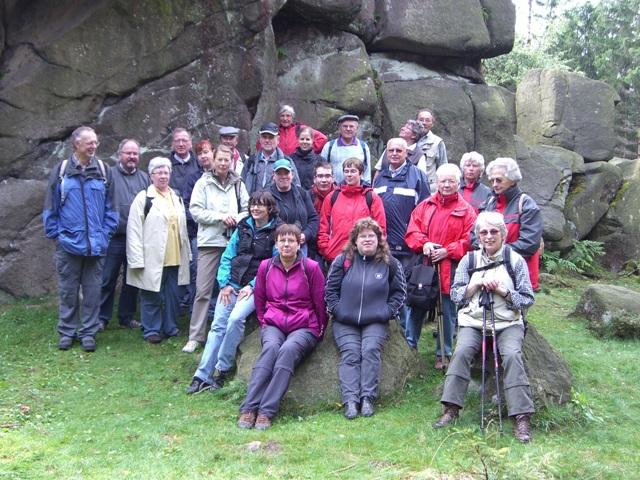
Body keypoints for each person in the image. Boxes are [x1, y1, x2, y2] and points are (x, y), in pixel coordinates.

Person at [433, 211, 535, 443]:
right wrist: (475, 285)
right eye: (484, 232)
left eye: (493, 231)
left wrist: (503, 291)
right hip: (474, 321)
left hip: (507, 323)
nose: (489, 236)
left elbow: (528, 298)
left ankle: (521, 417)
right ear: (478, 236)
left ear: (503, 234)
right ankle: (450, 408)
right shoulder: (468, 261)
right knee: (461, 351)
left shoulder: (515, 260)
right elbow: (456, 295)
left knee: (512, 355)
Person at [187, 191, 283, 393]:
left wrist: (253, 286)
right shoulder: (243, 226)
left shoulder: (277, 231)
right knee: (217, 326)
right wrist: (224, 284)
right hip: (232, 285)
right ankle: (202, 375)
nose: (255, 208)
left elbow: (275, 264)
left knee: (235, 319)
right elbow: (227, 256)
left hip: (255, 288)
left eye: (260, 205)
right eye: (253, 204)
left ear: (269, 208)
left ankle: (222, 370)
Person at [237, 224, 328, 430]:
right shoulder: (266, 267)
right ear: (276, 244)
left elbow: (320, 303)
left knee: (287, 350)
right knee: (270, 349)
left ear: (299, 244)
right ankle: (249, 408)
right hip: (274, 324)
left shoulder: (311, 267)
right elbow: (260, 299)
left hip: (304, 325)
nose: (286, 244)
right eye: (282, 241)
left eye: (291, 241)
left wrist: (318, 330)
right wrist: (265, 322)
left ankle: (266, 411)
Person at [43, 126, 118, 352]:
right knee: (68, 291)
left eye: (95, 142)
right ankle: (67, 332)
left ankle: (88, 333)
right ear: (77, 144)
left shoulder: (104, 171)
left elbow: (112, 209)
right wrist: (55, 236)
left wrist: (104, 236)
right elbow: (50, 207)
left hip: (96, 246)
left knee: (93, 292)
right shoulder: (61, 172)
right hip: (67, 245)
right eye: (89, 142)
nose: (94, 146)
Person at [325, 218, 405, 419]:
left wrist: (387, 312)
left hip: (376, 320)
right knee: (350, 354)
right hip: (345, 320)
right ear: (355, 240)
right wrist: (337, 310)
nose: (367, 239)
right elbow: (330, 290)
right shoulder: (342, 261)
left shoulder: (390, 263)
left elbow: (399, 293)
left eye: (371, 236)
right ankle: (351, 401)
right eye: (363, 236)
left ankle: (367, 398)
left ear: (379, 239)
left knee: (370, 351)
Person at [405, 164, 476, 369]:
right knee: (417, 304)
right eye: (442, 181)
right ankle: (409, 347)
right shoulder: (425, 206)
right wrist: (425, 244)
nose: (446, 185)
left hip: (450, 267)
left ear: (458, 183)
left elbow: (470, 240)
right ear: (437, 182)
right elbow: (412, 231)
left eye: (450, 181)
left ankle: (443, 353)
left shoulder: (467, 211)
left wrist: (448, 251)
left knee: (447, 310)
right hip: (425, 265)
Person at [182, 145, 249, 353]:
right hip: (210, 242)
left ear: (231, 161)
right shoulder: (203, 182)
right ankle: (195, 336)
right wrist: (220, 218)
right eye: (219, 159)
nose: (223, 163)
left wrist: (235, 219)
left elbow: (248, 209)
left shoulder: (238, 183)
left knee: (232, 288)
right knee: (203, 290)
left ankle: (229, 333)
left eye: (226, 160)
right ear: (213, 159)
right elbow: (195, 211)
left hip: (232, 242)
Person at [126, 157, 191, 343]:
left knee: (173, 295)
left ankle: (171, 327)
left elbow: (182, 228)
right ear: (151, 176)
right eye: (159, 173)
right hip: (153, 256)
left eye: (166, 172)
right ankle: (151, 330)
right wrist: (136, 259)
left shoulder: (176, 196)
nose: (163, 176)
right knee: (151, 294)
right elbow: (133, 230)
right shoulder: (143, 198)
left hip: (175, 255)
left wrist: (188, 254)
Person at [373, 138, 431, 330]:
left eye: (399, 150)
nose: (395, 154)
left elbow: (425, 210)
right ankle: (390, 330)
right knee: (385, 287)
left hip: (408, 245)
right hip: (383, 244)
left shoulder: (417, 176)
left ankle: (406, 334)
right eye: (391, 150)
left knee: (405, 290)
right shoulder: (380, 177)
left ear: (407, 153)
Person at [98, 139, 151, 332]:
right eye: (128, 153)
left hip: (136, 238)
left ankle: (126, 317)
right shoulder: (109, 175)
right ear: (119, 155)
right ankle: (101, 318)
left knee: (133, 279)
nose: (132, 157)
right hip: (114, 237)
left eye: (135, 154)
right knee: (107, 278)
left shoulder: (144, 178)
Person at [481, 158, 542, 291]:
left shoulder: (526, 205)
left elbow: (529, 243)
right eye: (492, 181)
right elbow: (475, 235)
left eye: (499, 180)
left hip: (519, 275)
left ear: (513, 180)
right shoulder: (488, 203)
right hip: (491, 272)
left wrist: (495, 252)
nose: (494, 184)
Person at [318, 158, 386, 263]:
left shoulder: (371, 197)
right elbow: (323, 226)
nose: (349, 175)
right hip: (335, 254)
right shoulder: (332, 197)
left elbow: (380, 227)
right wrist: (325, 248)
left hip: (363, 255)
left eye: (353, 171)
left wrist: (376, 250)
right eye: (346, 171)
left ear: (361, 174)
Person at [180, 139, 217, 318]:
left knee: (218, 274)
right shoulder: (194, 179)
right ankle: (196, 311)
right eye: (200, 153)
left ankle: (214, 311)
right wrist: (202, 221)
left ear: (213, 152)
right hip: (199, 233)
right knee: (198, 272)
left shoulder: (223, 175)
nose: (203, 156)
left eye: (206, 152)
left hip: (220, 233)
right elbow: (187, 206)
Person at [268, 159, 319, 257]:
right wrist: (285, 238)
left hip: (301, 245)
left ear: (292, 174)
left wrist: (306, 235)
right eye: (279, 173)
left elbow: (313, 218)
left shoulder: (302, 193)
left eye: (286, 173)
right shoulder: (267, 196)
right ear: (273, 175)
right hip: (276, 246)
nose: (283, 176)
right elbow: (265, 222)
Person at [242, 122, 301, 195]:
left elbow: (296, 188)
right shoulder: (251, 161)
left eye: (271, 137)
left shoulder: (287, 162)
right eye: (264, 137)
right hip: (253, 201)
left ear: (278, 139)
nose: (267, 140)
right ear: (259, 139)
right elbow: (241, 186)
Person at [255, 104, 328, 155]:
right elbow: (260, 145)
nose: (285, 119)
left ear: (292, 117)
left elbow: (322, 139)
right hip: (279, 166)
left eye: (288, 116)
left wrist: (306, 150)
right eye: (282, 116)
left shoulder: (300, 128)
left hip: (298, 163)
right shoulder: (274, 131)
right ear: (279, 117)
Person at [321, 114, 372, 185]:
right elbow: (322, 169)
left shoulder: (363, 147)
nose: (348, 129)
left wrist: (366, 187)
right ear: (339, 128)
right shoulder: (329, 146)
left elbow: (367, 171)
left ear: (356, 129)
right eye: (345, 126)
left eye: (351, 126)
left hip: (357, 189)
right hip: (335, 189)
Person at [308, 162, 336, 263]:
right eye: (320, 176)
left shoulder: (340, 195)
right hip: (313, 243)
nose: (324, 180)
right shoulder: (307, 196)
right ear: (314, 179)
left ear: (333, 178)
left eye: (327, 176)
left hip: (335, 243)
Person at [415, 109, 448, 192]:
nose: (424, 123)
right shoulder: (408, 140)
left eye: (427, 120)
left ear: (432, 123)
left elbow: (443, 167)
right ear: (416, 121)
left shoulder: (438, 142)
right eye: (421, 120)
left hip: (429, 189)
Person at [168, 128, 203, 196]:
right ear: (172, 144)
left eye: (184, 140)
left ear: (190, 143)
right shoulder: (164, 165)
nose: (181, 144)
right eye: (177, 141)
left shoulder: (199, 164)